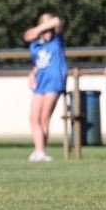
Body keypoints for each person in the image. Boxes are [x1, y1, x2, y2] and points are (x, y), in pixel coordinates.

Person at [23, 13, 67, 163]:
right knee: (33, 117)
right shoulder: (36, 45)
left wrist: (38, 29)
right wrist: (32, 73)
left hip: (54, 83)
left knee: (44, 118)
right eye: (45, 30)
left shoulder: (57, 40)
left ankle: (41, 151)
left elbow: (57, 20)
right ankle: (38, 150)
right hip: (40, 83)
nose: (48, 33)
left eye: (49, 30)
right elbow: (39, 63)